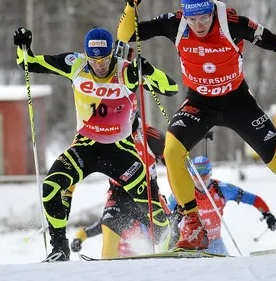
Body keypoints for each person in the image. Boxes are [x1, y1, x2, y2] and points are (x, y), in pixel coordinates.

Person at [117, 0, 276, 250]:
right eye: (192, 19)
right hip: (199, 103)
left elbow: (273, 41)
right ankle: (193, 225)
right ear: (184, 15)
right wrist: (130, 6)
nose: (198, 25)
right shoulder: (174, 24)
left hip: (237, 102)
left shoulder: (232, 24)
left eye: (204, 18)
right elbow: (126, 35)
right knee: (172, 152)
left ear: (212, 11)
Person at [13, 26, 179, 262]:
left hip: (121, 150)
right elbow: (28, 64)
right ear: (86, 54)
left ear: (112, 54)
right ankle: (59, 249)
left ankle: (168, 245)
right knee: (50, 187)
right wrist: (23, 47)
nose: (99, 65)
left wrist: (148, 69)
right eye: (93, 59)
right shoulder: (75, 64)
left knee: (152, 208)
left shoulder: (126, 71)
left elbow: (170, 88)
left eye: (104, 59)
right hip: (85, 147)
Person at [66, 117, 172, 258]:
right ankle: (109, 269)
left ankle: (167, 265)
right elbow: (75, 160)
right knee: (108, 226)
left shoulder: (151, 137)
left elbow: (173, 166)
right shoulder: (103, 134)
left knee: (167, 230)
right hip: (119, 193)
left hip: (146, 190)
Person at [167, 156, 276, 255]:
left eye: (204, 175)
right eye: (196, 176)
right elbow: (165, 211)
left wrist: (267, 214)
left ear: (210, 172)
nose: (200, 180)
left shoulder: (222, 189)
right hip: (190, 243)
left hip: (215, 244)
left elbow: (252, 199)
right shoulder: (184, 190)